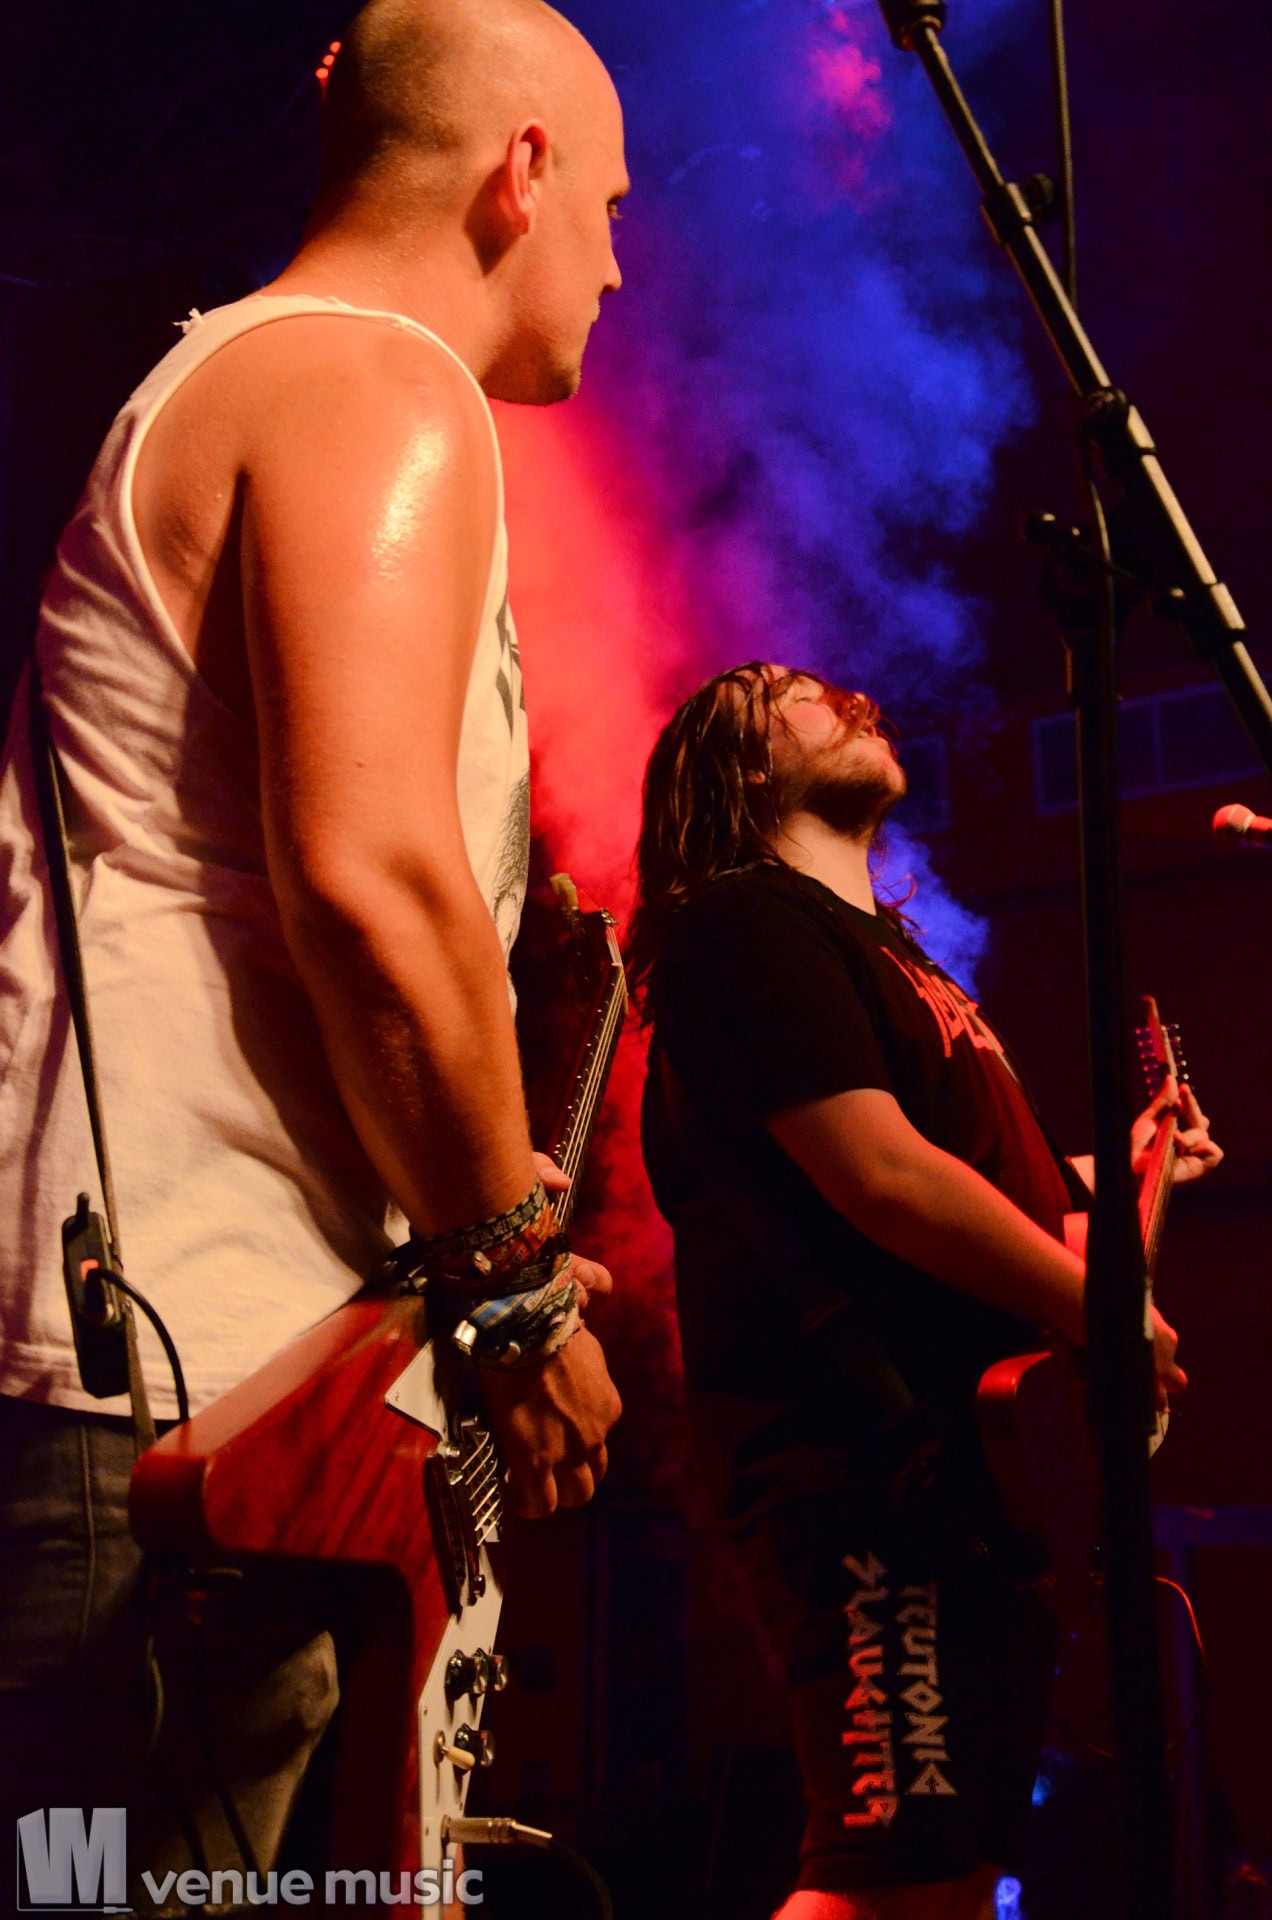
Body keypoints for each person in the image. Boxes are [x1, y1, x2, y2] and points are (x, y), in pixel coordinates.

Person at [0, 0, 627, 1904]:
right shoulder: (369, 375)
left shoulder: (264, 375)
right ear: (519, 173)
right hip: (164, 1403)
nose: (617, 266)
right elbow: (372, 874)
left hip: (180, 1384)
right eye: (612, 210)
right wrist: (519, 1287)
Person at [631, 662, 1221, 1920]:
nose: (847, 696)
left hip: (970, 1479)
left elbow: (997, 1188)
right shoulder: (742, 921)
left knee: (949, 1885)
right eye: (791, 691)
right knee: (885, 1885)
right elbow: (885, 1174)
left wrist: (1126, 1171)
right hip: (860, 1471)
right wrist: (1099, 1307)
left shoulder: (896, 960)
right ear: (738, 766)